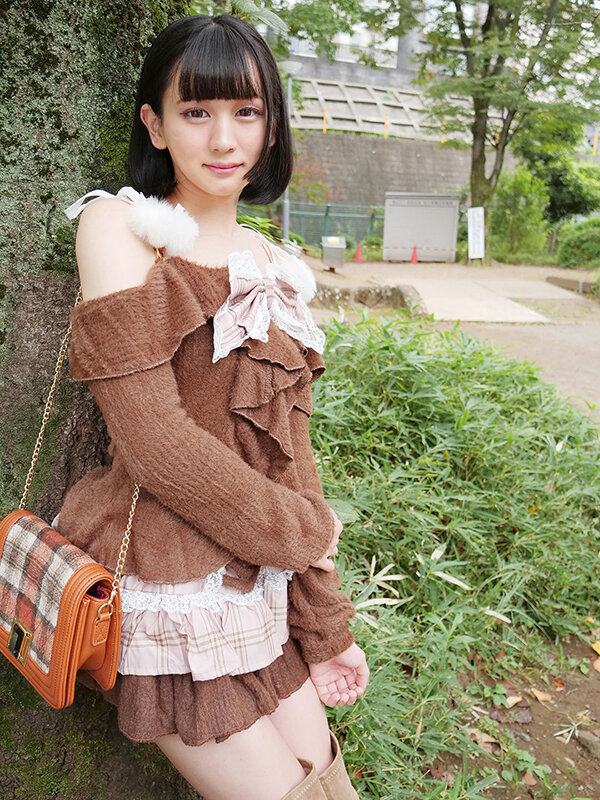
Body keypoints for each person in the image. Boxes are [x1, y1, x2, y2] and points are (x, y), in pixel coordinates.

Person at [55, 13, 369, 800]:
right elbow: (153, 441)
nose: (223, 138)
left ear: (271, 127)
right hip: (167, 590)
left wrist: (325, 626)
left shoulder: (275, 267)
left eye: (246, 112)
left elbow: (290, 458)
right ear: (155, 124)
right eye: (196, 111)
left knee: (329, 780)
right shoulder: (120, 227)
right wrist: (307, 534)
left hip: (258, 586)